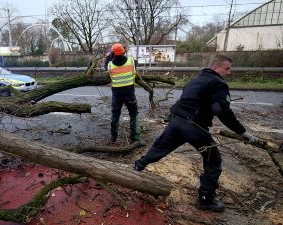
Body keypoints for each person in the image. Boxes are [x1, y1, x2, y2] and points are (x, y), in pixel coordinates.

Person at [134, 55, 257, 212]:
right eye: (227, 68)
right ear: (215, 68)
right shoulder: (218, 83)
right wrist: (242, 132)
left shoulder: (196, 79)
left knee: (159, 149)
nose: (229, 72)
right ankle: (206, 199)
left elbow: (187, 101)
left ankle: (136, 168)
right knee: (213, 160)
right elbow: (221, 111)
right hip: (194, 127)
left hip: (176, 122)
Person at [105, 43, 140, 144]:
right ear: (123, 52)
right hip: (129, 94)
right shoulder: (131, 61)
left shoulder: (110, 65)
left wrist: (108, 56)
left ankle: (113, 138)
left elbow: (105, 65)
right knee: (134, 115)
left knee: (115, 115)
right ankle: (135, 139)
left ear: (113, 54)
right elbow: (136, 63)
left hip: (117, 95)